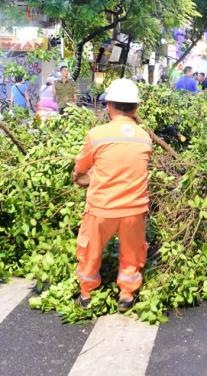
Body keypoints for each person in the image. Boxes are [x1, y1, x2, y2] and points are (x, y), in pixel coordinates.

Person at [72, 79, 152, 312]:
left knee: (90, 251)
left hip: (101, 209)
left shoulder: (97, 134)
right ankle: (126, 295)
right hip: (134, 210)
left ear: (108, 106)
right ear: (136, 109)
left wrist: (80, 177)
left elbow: (81, 167)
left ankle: (87, 295)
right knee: (132, 253)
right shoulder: (144, 137)